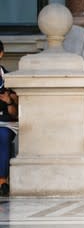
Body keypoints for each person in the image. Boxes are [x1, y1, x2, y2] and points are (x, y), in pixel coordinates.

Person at [0, 40, 18, 197]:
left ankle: (2, 181)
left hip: (6, 123)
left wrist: (9, 101)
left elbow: (14, 115)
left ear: (0, 54)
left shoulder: (9, 79)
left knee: (2, 135)